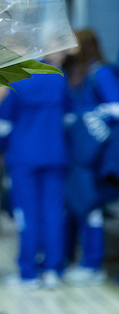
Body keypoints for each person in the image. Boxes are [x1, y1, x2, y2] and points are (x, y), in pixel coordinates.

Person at [0, 52, 72, 289]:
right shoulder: (58, 77)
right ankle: (52, 271)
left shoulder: (17, 78)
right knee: (53, 212)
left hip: (23, 155)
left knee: (27, 215)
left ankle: (28, 273)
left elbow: (3, 123)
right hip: (55, 154)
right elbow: (69, 117)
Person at [63, 29, 118, 286]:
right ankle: (83, 260)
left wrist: (94, 117)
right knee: (80, 206)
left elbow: (116, 107)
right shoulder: (80, 74)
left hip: (97, 157)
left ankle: (92, 263)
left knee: (90, 208)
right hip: (82, 154)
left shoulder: (100, 73)